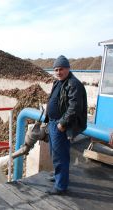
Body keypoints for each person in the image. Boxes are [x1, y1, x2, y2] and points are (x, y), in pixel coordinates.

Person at [44, 55, 87, 195]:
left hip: (60, 125)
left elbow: (75, 106)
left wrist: (63, 123)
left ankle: (61, 186)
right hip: (52, 122)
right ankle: (57, 175)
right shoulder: (58, 82)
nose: (58, 72)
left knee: (60, 155)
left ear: (68, 68)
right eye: (55, 69)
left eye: (61, 69)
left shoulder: (74, 84)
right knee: (54, 152)